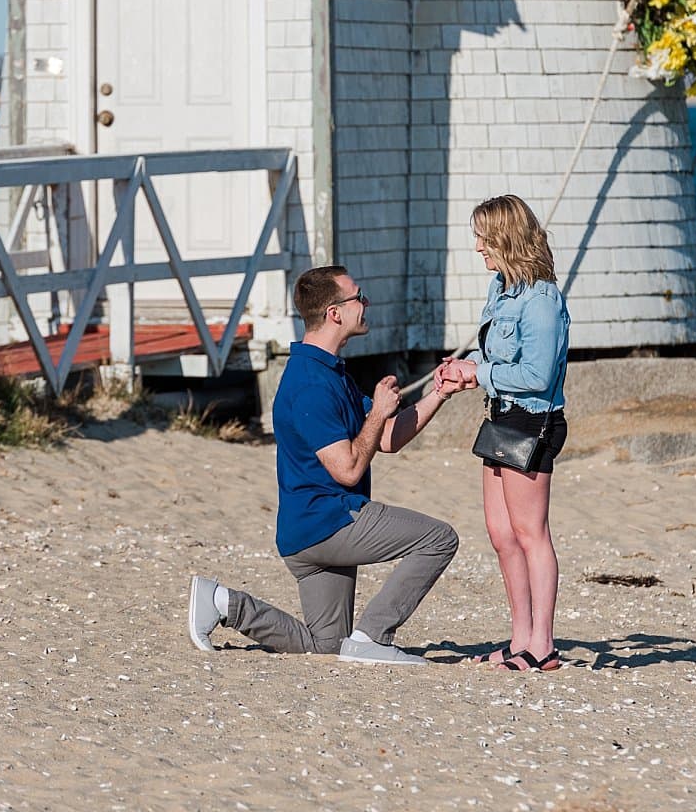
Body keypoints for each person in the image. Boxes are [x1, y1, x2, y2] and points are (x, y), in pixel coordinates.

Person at [188, 265, 459, 665]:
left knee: (327, 645)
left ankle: (225, 603)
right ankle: (375, 636)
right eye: (358, 297)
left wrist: (439, 393)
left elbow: (388, 437)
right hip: (330, 523)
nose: (365, 304)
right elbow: (347, 470)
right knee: (439, 539)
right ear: (335, 312)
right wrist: (378, 411)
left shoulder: (330, 371)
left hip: (307, 535)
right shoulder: (311, 383)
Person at [435, 195, 569, 672]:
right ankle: (519, 639)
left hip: (533, 422)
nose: (478, 248)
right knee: (500, 533)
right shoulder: (502, 288)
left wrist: (479, 374)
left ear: (506, 238)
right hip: (499, 418)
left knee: (532, 534)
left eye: (484, 238)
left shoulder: (542, 299)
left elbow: (536, 375)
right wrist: (467, 367)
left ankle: (543, 644)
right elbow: (497, 358)